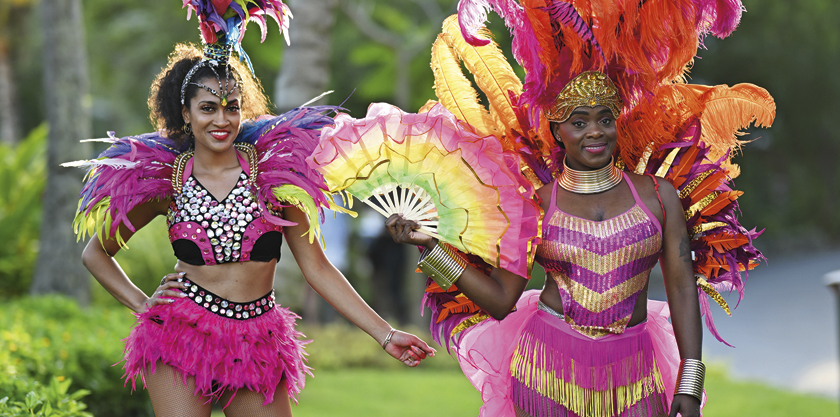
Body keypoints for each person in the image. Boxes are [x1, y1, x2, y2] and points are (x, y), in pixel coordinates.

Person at [68, 3, 433, 416]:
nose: (221, 119)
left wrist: (384, 334)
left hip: (257, 341)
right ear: (185, 114)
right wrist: (141, 302)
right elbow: (96, 253)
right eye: (208, 108)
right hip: (178, 335)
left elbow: (318, 268)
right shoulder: (166, 182)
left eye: (232, 106)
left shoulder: (277, 177)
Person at [387, 71, 702, 417]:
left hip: (635, 370)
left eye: (605, 119)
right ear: (557, 131)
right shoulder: (534, 206)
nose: (596, 131)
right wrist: (433, 248)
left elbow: (683, 288)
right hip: (548, 372)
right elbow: (500, 300)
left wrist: (691, 379)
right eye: (579, 122)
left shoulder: (659, 195)